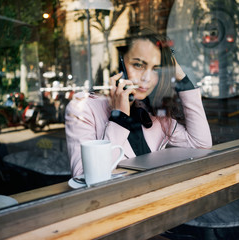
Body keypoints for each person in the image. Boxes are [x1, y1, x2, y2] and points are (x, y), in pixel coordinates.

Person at [65, 28, 212, 177]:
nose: (147, 78)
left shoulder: (155, 113)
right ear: (120, 64)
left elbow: (200, 145)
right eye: (138, 65)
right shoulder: (83, 109)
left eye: (156, 68)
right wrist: (119, 116)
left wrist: (182, 79)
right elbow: (84, 177)